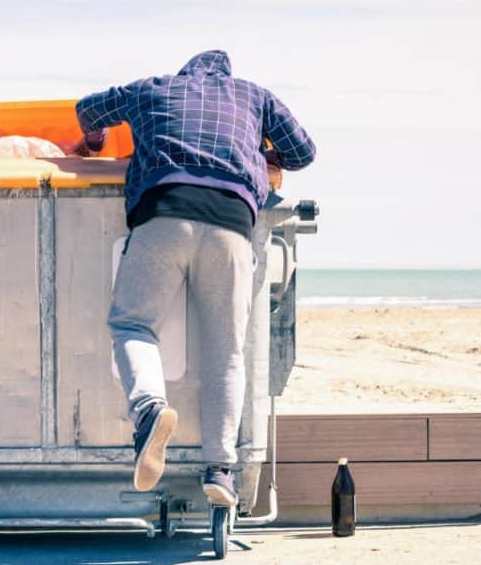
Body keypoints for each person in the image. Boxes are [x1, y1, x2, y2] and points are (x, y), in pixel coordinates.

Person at [76, 50, 316, 506]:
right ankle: (220, 472)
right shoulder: (255, 96)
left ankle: (149, 411)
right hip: (231, 224)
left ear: (186, 72)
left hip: (164, 213)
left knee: (132, 324)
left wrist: (93, 141)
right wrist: (257, 150)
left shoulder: (152, 88)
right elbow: (303, 152)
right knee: (226, 352)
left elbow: (87, 110)